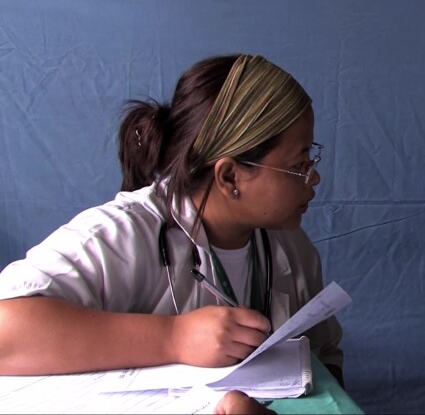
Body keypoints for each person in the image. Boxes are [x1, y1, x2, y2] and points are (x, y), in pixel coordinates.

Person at [0, 54, 344, 387]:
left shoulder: (290, 249)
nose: (313, 179)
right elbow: (6, 331)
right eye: (299, 165)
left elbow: (324, 355)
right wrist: (174, 337)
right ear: (229, 178)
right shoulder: (121, 236)